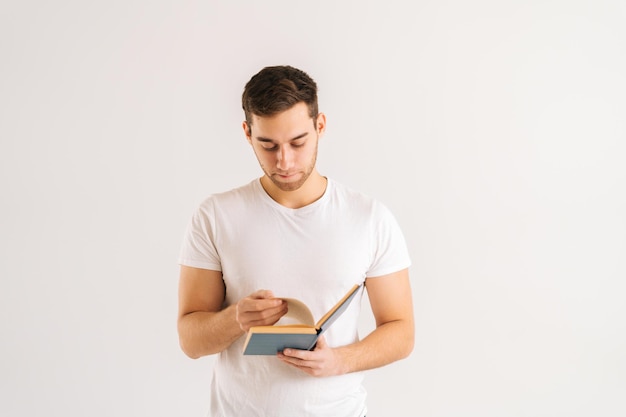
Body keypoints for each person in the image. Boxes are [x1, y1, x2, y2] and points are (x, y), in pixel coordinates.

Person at [177, 65, 414, 417]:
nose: (284, 161)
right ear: (247, 133)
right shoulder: (215, 215)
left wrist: (339, 361)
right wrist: (235, 320)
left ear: (320, 126)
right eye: (268, 145)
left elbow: (402, 331)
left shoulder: (369, 218)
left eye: (298, 142)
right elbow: (190, 341)